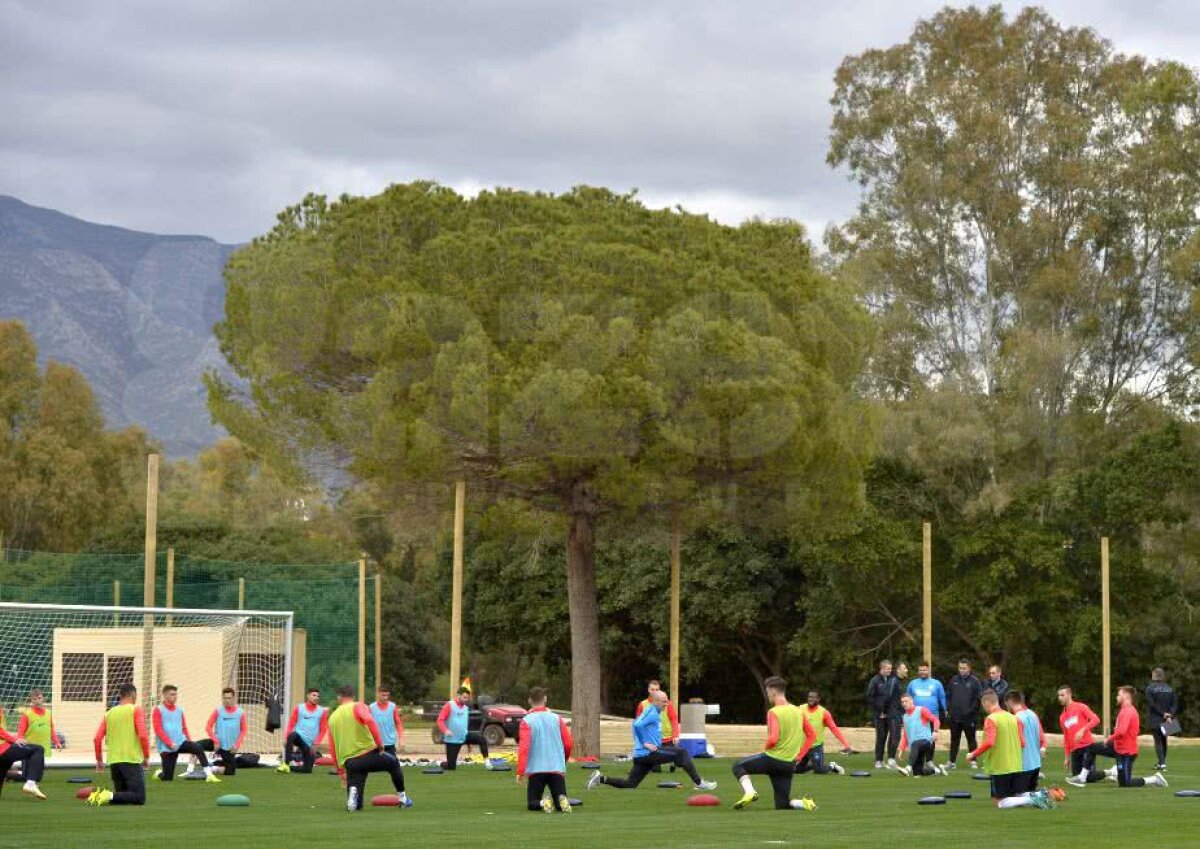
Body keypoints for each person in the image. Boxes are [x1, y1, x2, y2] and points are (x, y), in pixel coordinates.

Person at [587, 689, 716, 792]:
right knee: (682, 753)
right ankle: (699, 783)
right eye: (664, 701)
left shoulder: (653, 710)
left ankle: (600, 779)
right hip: (648, 753)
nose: (667, 704)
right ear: (656, 702)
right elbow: (637, 725)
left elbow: (642, 726)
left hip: (641, 756)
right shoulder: (652, 713)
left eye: (667, 701)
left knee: (630, 784)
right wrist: (645, 743)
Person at [729, 676, 817, 811]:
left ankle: (750, 792)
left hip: (772, 759)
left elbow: (773, 739)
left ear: (773, 692)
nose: (768, 695)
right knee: (782, 805)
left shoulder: (773, 712)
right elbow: (812, 735)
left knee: (738, 767)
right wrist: (799, 756)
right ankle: (804, 804)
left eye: (768, 692)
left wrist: (767, 747)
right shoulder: (799, 711)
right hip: (788, 764)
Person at [328, 684, 410, 812]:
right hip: (368, 755)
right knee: (393, 763)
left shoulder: (332, 717)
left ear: (339, 698)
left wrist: (340, 771)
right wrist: (379, 743)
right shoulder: (358, 706)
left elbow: (332, 747)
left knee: (357, 805)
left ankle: (353, 795)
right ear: (353, 696)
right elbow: (370, 721)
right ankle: (403, 798)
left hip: (351, 763)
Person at [1068, 686, 1167, 789]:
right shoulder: (1125, 709)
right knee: (1091, 748)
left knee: (1125, 783)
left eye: (1119, 695)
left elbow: (1122, 731)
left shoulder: (1128, 711)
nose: (1117, 697)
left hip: (1127, 753)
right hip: (1118, 749)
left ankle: (1155, 779)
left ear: (1125, 696)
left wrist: (1109, 739)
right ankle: (1082, 777)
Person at [969, 691, 1040, 808]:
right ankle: (1034, 796)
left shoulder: (991, 719)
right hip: (1016, 765)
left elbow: (989, 742)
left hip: (1000, 766)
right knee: (1012, 797)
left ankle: (1033, 799)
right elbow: (1022, 742)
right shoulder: (1014, 718)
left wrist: (973, 754)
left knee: (1000, 802)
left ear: (986, 703)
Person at [88, 683, 149, 806]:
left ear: (120, 696)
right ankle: (105, 794)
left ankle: (106, 796)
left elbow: (97, 739)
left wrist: (99, 761)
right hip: (130, 761)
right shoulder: (136, 709)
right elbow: (142, 735)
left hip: (115, 764)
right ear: (134, 695)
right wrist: (146, 756)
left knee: (122, 799)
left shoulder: (109, 713)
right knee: (139, 797)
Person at [516, 686, 573, 813]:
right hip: (556, 767)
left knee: (532, 803)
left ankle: (544, 802)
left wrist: (520, 771)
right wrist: (563, 760)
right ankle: (560, 800)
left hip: (537, 769)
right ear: (545, 699)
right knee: (560, 802)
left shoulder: (526, 721)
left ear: (529, 700)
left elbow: (524, 748)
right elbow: (568, 743)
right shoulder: (556, 718)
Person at [152, 684, 219, 782]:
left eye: (175, 695)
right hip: (167, 747)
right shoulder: (158, 710)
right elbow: (158, 730)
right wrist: (170, 743)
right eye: (172, 695)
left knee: (198, 747)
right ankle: (159, 774)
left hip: (181, 742)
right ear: (165, 695)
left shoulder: (179, 710)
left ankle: (209, 775)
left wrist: (189, 742)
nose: (175, 697)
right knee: (167, 778)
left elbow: (184, 728)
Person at [795, 691, 852, 775]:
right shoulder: (800, 709)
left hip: (816, 746)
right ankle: (814, 765)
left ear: (818, 699)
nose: (810, 699)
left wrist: (846, 745)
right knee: (796, 770)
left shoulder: (824, 713)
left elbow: (834, 729)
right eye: (809, 697)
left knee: (819, 771)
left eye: (813, 697)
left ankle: (832, 766)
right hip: (802, 747)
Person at [1058, 685, 1103, 784]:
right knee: (1076, 778)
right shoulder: (1062, 717)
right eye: (1059, 695)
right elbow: (1066, 738)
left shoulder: (1081, 707)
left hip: (1087, 747)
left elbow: (1096, 719)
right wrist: (1066, 757)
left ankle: (1110, 772)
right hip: (1075, 750)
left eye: (1062, 695)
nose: (1060, 698)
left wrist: (1083, 730)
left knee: (1089, 777)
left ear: (1069, 695)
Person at [278, 687, 329, 773]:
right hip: (299, 738)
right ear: (308, 696)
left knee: (307, 770)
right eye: (314, 695)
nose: (316, 697)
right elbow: (291, 724)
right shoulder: (299, 708)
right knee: (292, 735)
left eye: (318, 696)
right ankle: (286, 764)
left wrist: (316, 743)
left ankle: (290, 768)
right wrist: (287, 738)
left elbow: (323, 729)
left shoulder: (322, 711)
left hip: (309, 744)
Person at [437, 686, 489, 769]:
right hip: (452, 739)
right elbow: (440, 720)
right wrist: (446, 731)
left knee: (481, 739)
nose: (466, 700)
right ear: (458, 696)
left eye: (467, 698)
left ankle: (487, 763)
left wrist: (469, 743)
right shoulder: (449, 705)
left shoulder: (466, 708)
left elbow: (463, 723)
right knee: (451, 767)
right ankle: (440, 763)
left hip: (464, 736)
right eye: (464, 697)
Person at [0, 710, 47, 799]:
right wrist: (14, 740)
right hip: (3, 750)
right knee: (38, 749)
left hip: (4, 751)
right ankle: (30, 783)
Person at [1004, 690, 1045, 792]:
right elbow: (1040, 736)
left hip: (1023, 766)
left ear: (1009, 702)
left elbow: (1019, 742)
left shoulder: (1016, 719)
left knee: (1019, 797)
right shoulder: (1032, 714)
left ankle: (1048, 794)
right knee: (1030, 797)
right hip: (1036, 764)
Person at [895, 693, 944, 776]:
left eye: (906, 701)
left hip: (926, 741)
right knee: (918, 772)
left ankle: (907, 769)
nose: (904, 704)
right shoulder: (905, 717)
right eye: (902, 702)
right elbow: (905, 735)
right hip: (915, 747)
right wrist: (901, 749)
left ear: (911, 701)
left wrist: (935, 731)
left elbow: (935, 720)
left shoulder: (921, 710)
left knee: (915, 743)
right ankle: (936, 771)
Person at [635, 679, 681, 770]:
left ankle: (673, 760)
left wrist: (676, 735)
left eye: (657, 690)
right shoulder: (643, 705)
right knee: (656, 769)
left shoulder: (667, 703)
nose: (655, 692)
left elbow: (674, 719)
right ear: (648, 690)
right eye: (652, 689)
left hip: (667, 740)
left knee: (677, 764)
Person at [865, 659, 902, 769]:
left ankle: (891, 759)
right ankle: (879, 760)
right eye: (887, 668)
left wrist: (895, 710)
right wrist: (879, 709)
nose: (889, 671)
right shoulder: (875, 680)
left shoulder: (893, 680)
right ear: (881, 669)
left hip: (891, 713)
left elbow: (896, 696)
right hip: (879, 715)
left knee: (894, 736)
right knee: (881, 737)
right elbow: (870, 697)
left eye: (890, 668)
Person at [202, 687, 247, 776]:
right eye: (225, 698)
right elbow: (208, 727)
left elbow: (244, 730)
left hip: (230, 749)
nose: (226, 700)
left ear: (233, 698)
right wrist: (215, 741)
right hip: (217, 745)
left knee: (230, 772)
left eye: (229, 698)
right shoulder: (218, 711)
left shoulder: (240, 713)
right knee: (196, 746)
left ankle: (213, 768)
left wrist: (237, 745)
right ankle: (190, 769)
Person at [946, 658, 983, 768]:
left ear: (969, 668)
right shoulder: (954, 680)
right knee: (954, 740)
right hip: (955, 716)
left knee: (971, 739)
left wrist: (971, 711)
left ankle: (973, 761)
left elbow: (978, 699)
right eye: (960, 668)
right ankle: (952, 762)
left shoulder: (975, 681)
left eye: (964, 668)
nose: (962, 670)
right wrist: (950, 709)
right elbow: (949, 695)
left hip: (969, 717)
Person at [17, 689, 59, 781]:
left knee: (38, 778)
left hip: (41, 749)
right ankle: (9, 774)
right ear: (31, 701)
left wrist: (56, 741)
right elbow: (21, 730)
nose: (37, 701)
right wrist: (20, 739)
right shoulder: (27, 714)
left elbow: (51, 728)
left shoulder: (48, 713)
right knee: (26, 777)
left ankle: (13, 773)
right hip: (28, 749)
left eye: (39, 698)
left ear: (43, 699)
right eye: (34, 699)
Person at [907, 663, 946, 752]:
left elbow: (942, 697)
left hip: (933, 716)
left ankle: (929, 761)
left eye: (924, 670)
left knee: (931, 739)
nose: (922, 672)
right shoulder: (912, 684)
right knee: (917, 739)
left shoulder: (936, 683)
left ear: (928, 670)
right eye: (920, 670)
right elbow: (907, 699)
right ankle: (916, 761)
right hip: (917, 717)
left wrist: (945, 709)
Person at [1145, 668, 1178, 771]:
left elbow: (1152, 705)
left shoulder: (1150, 688)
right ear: (1163, 676)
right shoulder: (1170, 688)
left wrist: (1162, 713)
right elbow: (1174, 704)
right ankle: (1161, 762)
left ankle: (1162, 764)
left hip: (1156, 718)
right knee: (1164, 740)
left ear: (1154, 676)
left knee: (1158, 741)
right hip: (1167, 719)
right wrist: (1169, 715)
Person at [370, 685, 404, 756]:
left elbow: (398, 723)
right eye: (383, 695)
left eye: (387, 695)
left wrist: (401, 739)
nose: (385, 697)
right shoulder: (371, 707)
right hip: (376, 744)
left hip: (390, 743)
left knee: (393, 766)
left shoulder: (393, 707)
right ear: (378, 694)